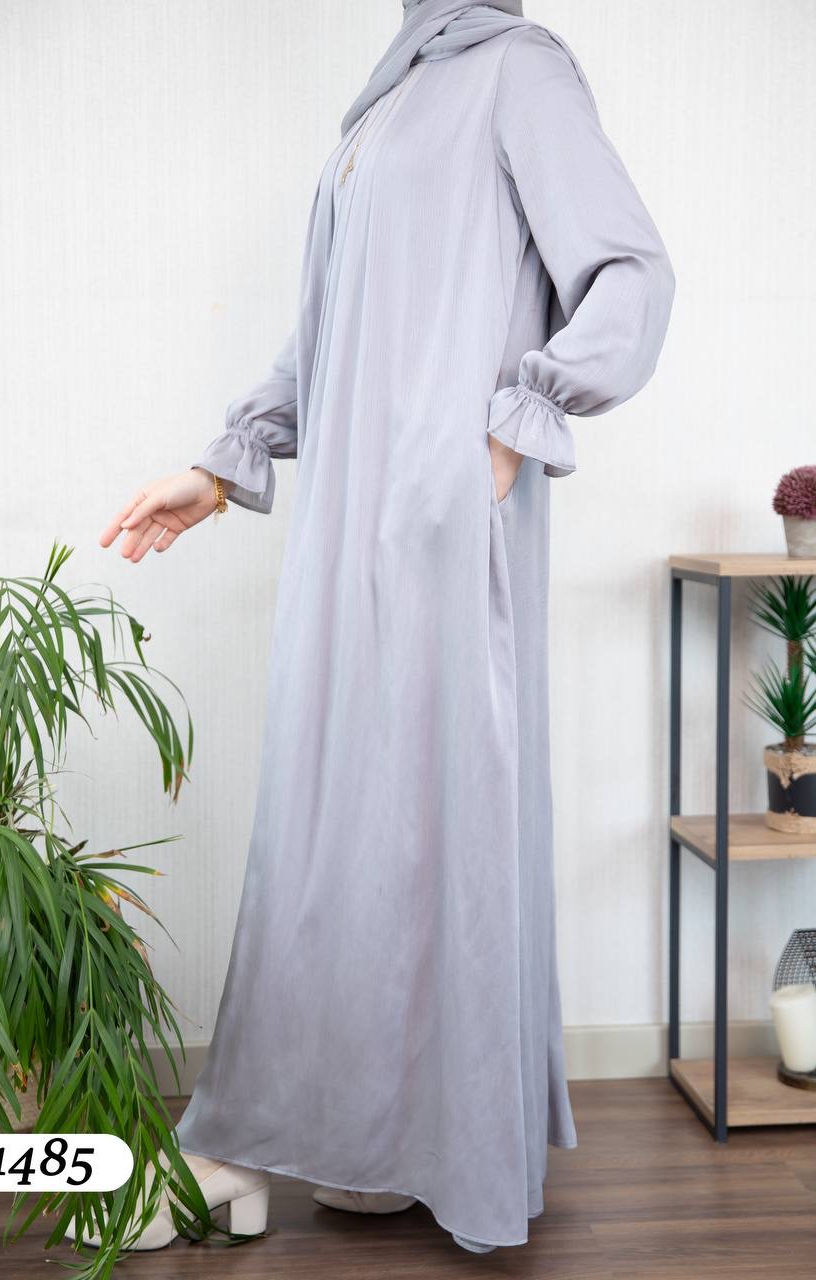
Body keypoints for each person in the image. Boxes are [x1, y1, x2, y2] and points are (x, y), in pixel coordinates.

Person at [95, 0, 675, 1256]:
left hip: (440, 517)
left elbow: (628, 270)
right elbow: (336, 325)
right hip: (348, 519)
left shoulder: (516, 69)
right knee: (350, 822)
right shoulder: (394, 93)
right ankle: (387, 1132)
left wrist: (517, 420)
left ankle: (231, 1149)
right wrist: (225, 463)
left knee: (403, 821)